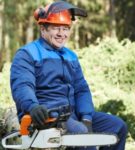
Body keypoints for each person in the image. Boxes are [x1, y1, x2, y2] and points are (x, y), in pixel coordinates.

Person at [10, 1, 127, 150]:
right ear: (43, 29)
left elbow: (81, 89)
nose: (61, 34)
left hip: (71, 114)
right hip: (47, 116)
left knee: (117, 126)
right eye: (56, 28)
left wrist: (87, 118)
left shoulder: (70, 56)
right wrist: (33, 106)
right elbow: (22, 85)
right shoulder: (27, 54)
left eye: (66, 28)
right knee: (81, 134)